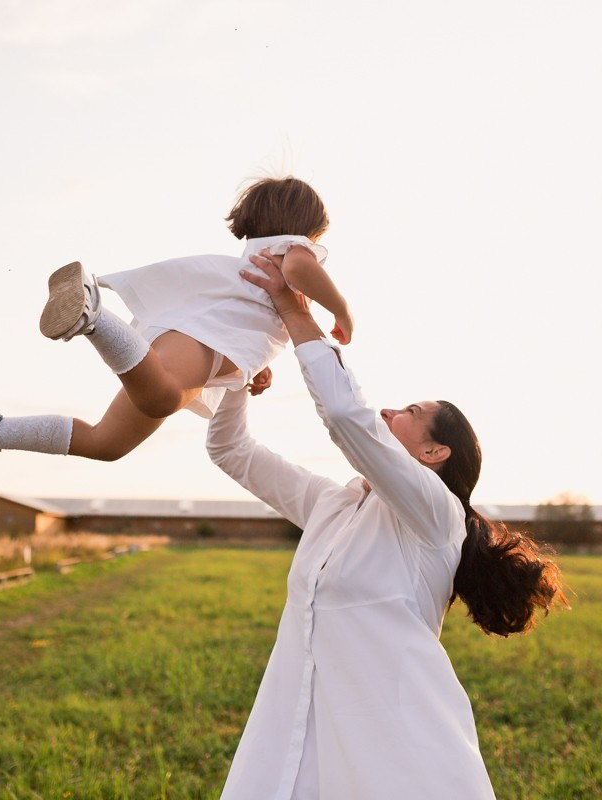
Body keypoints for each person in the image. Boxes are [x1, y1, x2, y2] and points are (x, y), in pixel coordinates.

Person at [206, 250, 568, 799]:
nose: (390, 412)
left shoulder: (435, 515)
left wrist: (295, 311)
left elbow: (347, 418)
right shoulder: (332, 505)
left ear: (433, 451)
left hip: (398, 753)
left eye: (410, 412)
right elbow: (231, 450)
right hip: (301, 733)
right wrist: (238, 378)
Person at [0, 176, 353, 496]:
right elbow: (300, 270)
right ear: (307, 227)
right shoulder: (294, 249)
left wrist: (252, 368)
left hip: (203, 341)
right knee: (163, 397)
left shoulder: (263, 252)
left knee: (108, 442)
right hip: (203, 339)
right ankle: (94, 316)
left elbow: (256, 318)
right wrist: (341, 310)